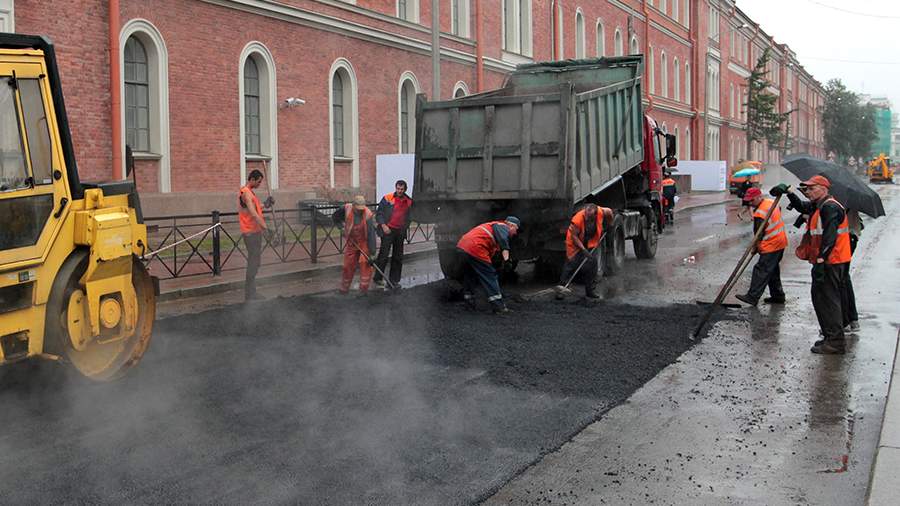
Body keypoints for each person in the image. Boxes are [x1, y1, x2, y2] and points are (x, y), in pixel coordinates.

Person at [773, 176, 852, 355]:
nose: (808, 192)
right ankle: (829, 337)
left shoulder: (830, 207)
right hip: (829, 261)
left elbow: (830, 237)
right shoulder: (820, 205)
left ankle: (835, 342)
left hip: (831, 261)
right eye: (806, 189)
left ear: (824, 189)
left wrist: (821, 260)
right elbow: (802, 206)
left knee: (828, 300)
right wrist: (790, 192)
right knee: (820, 298)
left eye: (811, 188)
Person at [456, 216, 521, 314]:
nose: (515, 233)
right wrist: (507, 261)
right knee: (489, 275)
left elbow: (492, 253)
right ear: (511, 225)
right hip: (475, 247)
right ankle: (499, 307)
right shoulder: (502, 226)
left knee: (470, 273)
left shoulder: (492, 229)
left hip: (463, 246)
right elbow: (503, 241)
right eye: (516, 229)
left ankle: (468, 300)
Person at [734, 187, 787, 306]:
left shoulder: (760, 213)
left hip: (771, 244)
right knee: (772, 270)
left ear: (759, 197)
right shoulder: (770, 203)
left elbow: (758, 233)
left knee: (761, 270)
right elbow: (778, 209)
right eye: (748, 201)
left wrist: (755, 247)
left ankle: (752, 296)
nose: (750, 203)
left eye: (752, 200)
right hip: (780, 242)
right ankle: (778, 296)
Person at [557, 204, 613, 299]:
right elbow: (574, 236)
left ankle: (589, 291)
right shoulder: (577, 219)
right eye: (586, 215)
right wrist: (583, 250)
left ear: (595, 214)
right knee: (571, 264)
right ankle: (561, 290)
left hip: (589, 240)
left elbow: (610, 212)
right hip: (574, 242)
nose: (587, 218)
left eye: (589, 216)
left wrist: (610, 224)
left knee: (592, 263)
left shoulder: (601, 211)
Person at [332, 195, 378, 296]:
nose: (360, 211)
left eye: (362, 209)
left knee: (365, 263)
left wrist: (373, 253)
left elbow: (371, 234)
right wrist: (341, 228)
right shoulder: (346, 209)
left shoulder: (368, 215)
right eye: (358, 209)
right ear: (353, 206)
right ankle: (344, 289)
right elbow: (335, 217)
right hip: (352, 241)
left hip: (364, 242)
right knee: (348, 265)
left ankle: (363, 290)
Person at [374, 180, 413, 290]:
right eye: (398, 188)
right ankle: (378, 278)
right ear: (395, 188)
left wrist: (404, 228)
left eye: (401, 189)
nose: (399, 191)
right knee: (383, 254)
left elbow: (410, 217)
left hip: (400, 231)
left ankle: (394, 280)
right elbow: (379, 213)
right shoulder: (388, 198)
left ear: (405, 190)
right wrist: (383, 225)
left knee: (398, 257)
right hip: (388, 230)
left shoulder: (409, 201)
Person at [238, 169, 268, 301]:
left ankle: (252, 292)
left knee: (255, 263)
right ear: (252, 179)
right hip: (250, 232)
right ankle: (250, 294)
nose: (260, 184)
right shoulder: (245, 193)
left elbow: (256, 207)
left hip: (255, 231)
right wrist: (266, 228)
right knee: (253, 263)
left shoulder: (250, 193)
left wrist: (266, 204)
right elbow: (253, 213)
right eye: (259, 182)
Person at [845, 209, 863, 330]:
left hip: (845, 239)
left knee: (841, 279)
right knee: (844, 278)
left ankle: (846, 320)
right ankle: (851, 319)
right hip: (850, 237)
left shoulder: (836, 203)